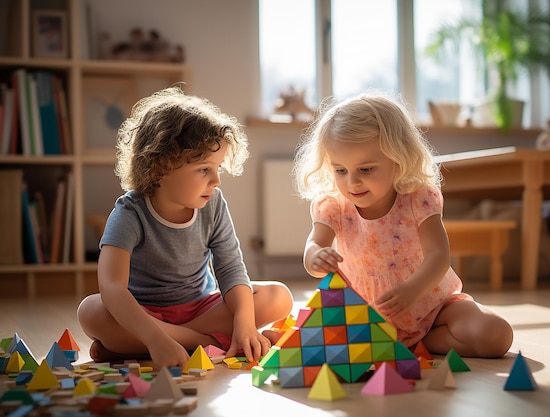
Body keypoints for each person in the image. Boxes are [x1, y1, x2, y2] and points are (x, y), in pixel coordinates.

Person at [77, 86, 294, 369]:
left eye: (218, 169)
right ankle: (201, 342)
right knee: (90, 311)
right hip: (144, 314)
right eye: (204, 169)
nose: (216, 180)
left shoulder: (213, 203)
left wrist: (244, 325)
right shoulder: (130, 212)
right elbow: (112, 288)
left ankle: (135, 348)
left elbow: (230, 269)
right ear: (160, 167)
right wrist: (154, 337)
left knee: (278, 297)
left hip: (202, 307)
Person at [293, 93, 513, 358]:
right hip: (366, 318)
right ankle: (397, 345)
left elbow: (439, 255)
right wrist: (316, 257)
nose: (352, 182)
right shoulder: (333, 206)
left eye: (366, 169)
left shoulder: (418, 199)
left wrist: (414, 290)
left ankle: (422, 342)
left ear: (398, 158)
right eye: (341, 170)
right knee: (313, 338)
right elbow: (313, 247)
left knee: (496, 335)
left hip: (434, 307)